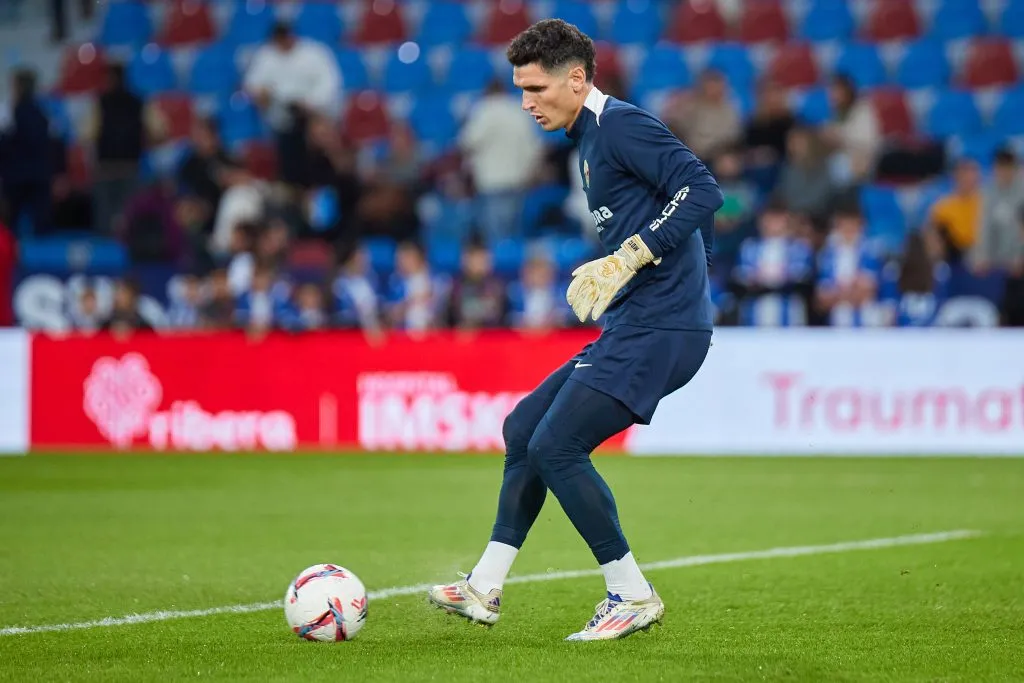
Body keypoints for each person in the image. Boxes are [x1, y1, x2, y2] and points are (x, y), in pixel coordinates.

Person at [428, 19, 723, 641]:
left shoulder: (619, 125)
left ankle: (631, 593)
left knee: (557, 446)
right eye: (520, 89)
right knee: (525, 429)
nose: (526, 102)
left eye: (535, 89)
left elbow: (702, 188)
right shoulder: (586, 138)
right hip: (638, 324)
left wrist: (636, 254)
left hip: (662, 328)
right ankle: (484, 585)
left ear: (577, 78)